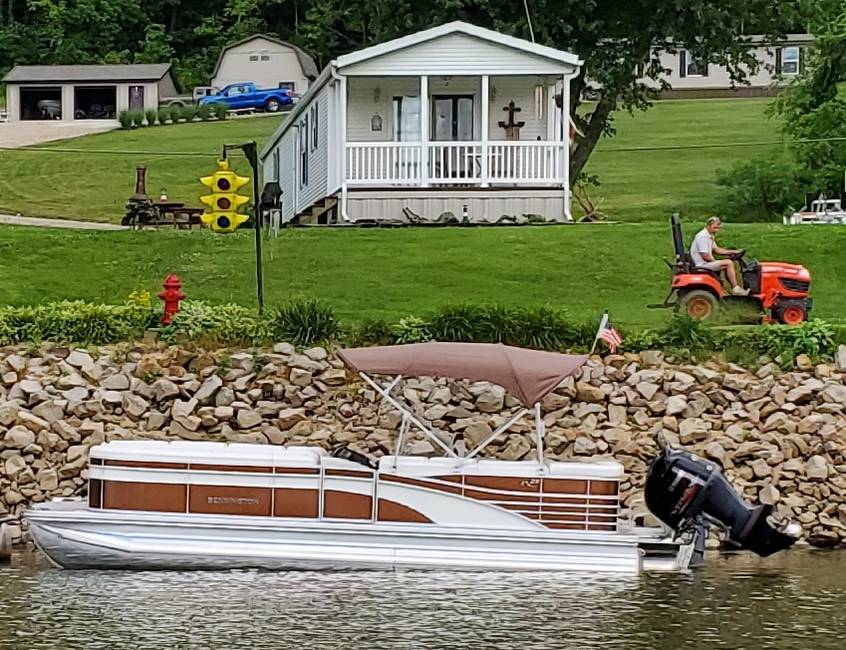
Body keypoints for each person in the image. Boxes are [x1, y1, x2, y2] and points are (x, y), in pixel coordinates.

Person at [689, 217, 750, 296]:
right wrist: (715, 261)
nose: (716, 230)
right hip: (701, 264)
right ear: (708, 226)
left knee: (726, 263)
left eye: (718, 228)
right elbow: (705, 255)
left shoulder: (709, 235)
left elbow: (717, 249)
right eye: (714, 228)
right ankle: (735, 288)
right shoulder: (702, 237)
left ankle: (730, 288)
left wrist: (733, 252)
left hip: (704, 263)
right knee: (728, 263)